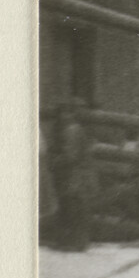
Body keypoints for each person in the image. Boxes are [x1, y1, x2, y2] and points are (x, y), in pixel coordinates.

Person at [47, 100, 94, 251]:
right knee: (77, 208)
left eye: (65, 113)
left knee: (72, 207)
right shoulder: (77, 128)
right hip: (79, 175)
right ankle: (78, 242)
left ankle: (73, 242)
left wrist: (54, 161)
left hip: (74, 176)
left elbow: (71, 156)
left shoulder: (71, 130)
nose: (62, 117)